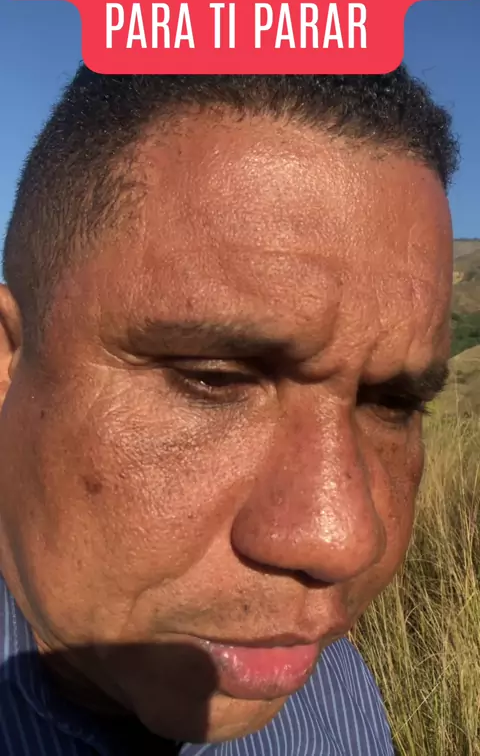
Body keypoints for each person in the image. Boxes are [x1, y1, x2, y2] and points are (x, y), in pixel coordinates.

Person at [0, 70, 457, 755]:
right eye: (214, 379)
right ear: (9, 360)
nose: (342, 541)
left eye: (392, 404)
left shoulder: (328, 689)